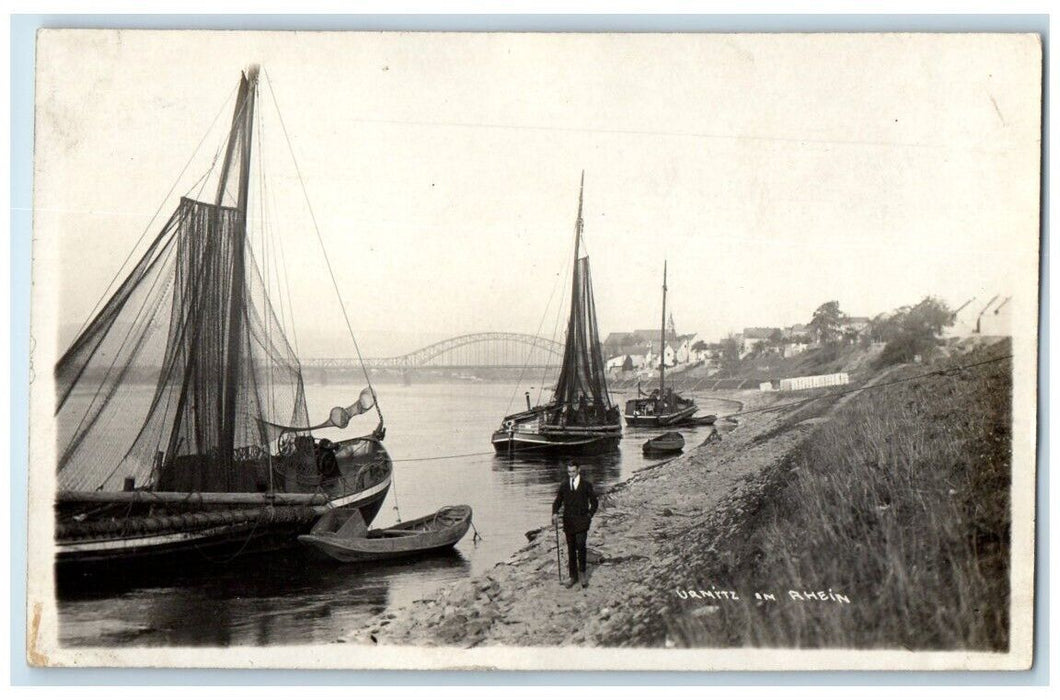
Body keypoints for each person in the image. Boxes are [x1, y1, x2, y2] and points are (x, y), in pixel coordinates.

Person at [552, 461, 598, 589]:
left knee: (581, 546)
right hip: (569, 522)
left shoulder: (586, 485)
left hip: (582, 521)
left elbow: (594, 502)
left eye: (573, 471)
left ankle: (582, 573)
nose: (571, 474)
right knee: (571, 549)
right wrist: (555, 513)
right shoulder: (564, 485)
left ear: (578, 470)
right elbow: (557, 501)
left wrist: (589, 515)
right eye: (569, 472)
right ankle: (573, 576)